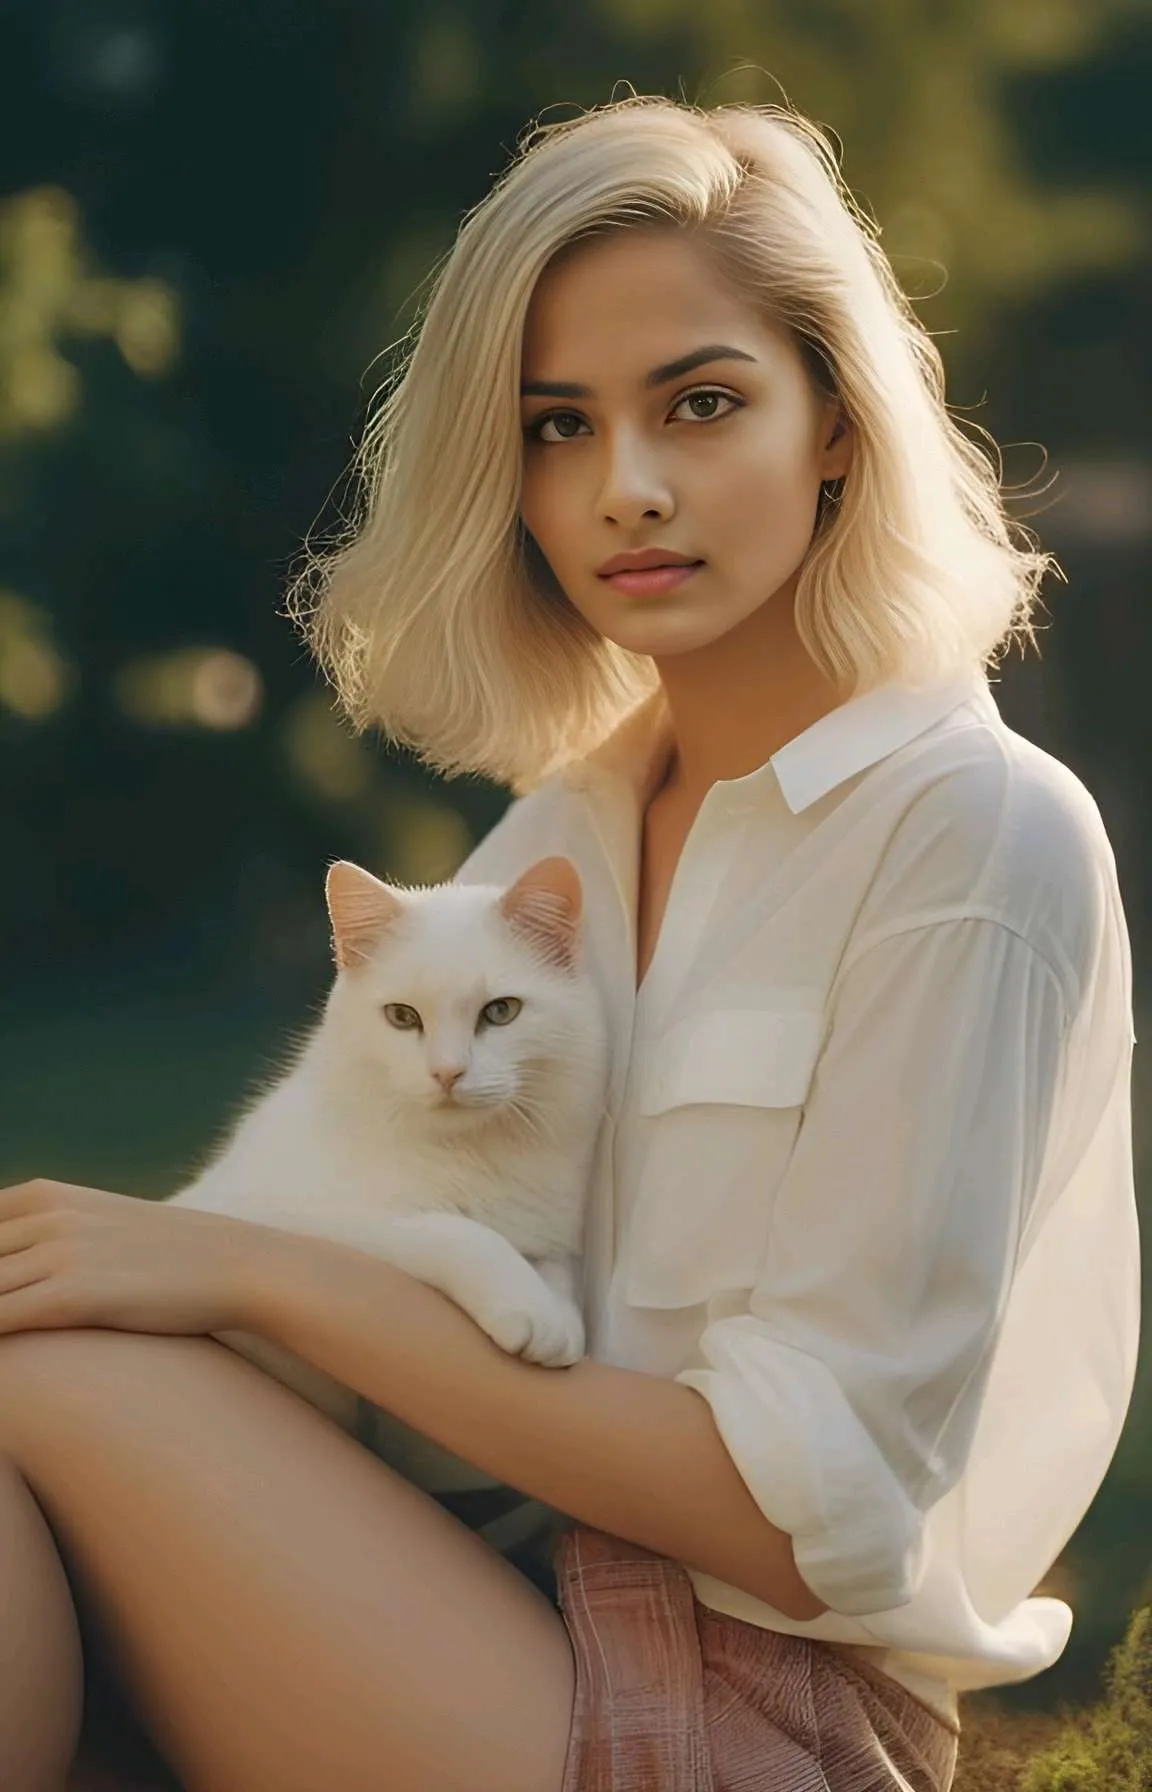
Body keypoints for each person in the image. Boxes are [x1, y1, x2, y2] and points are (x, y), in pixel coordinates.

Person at [0, 94, 1138, 1792]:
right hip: (454, 1578)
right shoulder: (566, 830)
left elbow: (798, 1526)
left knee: (46, 1380)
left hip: (755, 1708)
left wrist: (242, 1270)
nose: (627, 488)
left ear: (837, 419)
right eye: (554, 426)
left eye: (702, 402)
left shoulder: (974, 834)